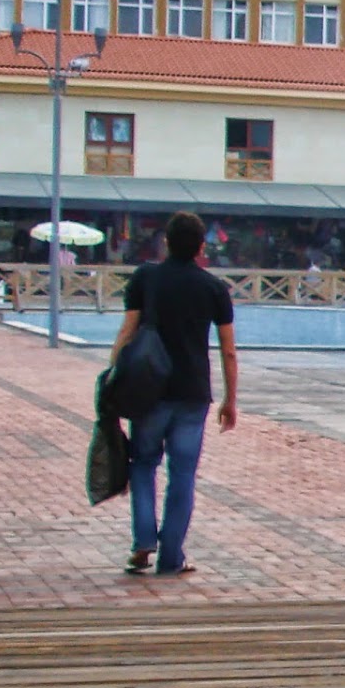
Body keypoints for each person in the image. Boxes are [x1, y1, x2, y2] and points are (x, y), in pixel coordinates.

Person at [110, 211, 237, 577]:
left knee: (144, 464)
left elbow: (127, 332)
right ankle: (171, 556)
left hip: (148, 390)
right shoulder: (214, 288)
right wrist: (230, 399)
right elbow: (228, 350)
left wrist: (113, 376)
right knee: (182, 474)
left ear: (165, 242)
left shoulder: (146, 278)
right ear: (201, 246)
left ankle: (143, 540)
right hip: (193, 393)